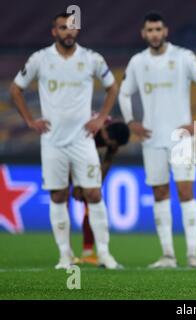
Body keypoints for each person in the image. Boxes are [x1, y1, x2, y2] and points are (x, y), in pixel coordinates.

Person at [10, 12, 121, 269]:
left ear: (77, 31)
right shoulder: (40, 59)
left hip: (83, 139)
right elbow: (16, 89)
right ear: (54, 32)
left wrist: (101, 117)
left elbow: (112, 87)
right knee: (58, 196)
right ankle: (65, 255)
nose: (68, 32)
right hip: (52, 141)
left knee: (94, 193)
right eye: (63, 28)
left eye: (72, 28)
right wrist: (30, 120)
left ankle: (104, 254)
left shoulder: (91, 58)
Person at [118, 12, 196, 268]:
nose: (154, 34)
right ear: (143, 34)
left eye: (158, 29)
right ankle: (167, 255)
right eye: (149, 30)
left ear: (166, 31)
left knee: (186, 192)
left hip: (180, 138)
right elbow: (123, 93)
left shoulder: (183, 57)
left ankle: (193, 254)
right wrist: (131, 121)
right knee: (160, 192)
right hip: (152, 138)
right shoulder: (137, 62)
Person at [72, 120, 130, 265]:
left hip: (86, 159)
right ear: (104, 132)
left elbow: (107, 161)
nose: (111, 146)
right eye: (111, 143)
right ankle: (65, 252)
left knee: (91, 202)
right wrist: (77, 184)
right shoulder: (89, 129)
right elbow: (71, 154)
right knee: (61, 196)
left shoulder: (112, 137)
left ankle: (88, 251)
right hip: (67, 152)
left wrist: (95, 186)